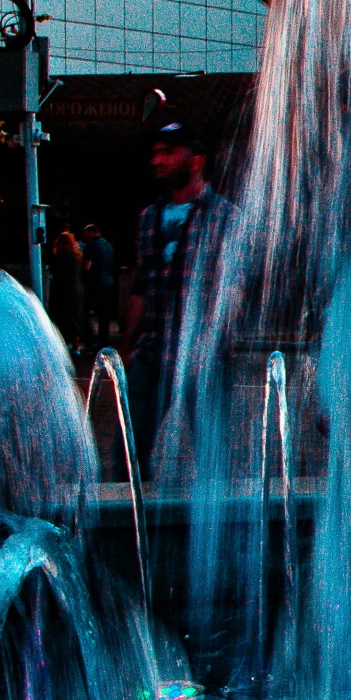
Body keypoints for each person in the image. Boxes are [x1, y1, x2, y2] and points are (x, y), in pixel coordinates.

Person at [123, 122, 229, 462]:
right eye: (155, 153)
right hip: (152, 352)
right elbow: (141, 285)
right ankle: (128, 511)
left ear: (196, 161)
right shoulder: (148, 218)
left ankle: (218, 512)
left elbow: (234, 290)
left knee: (212, 456)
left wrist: (217, 340)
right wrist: (128, 347)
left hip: (203, 354)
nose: (158, 160)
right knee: (129, 453)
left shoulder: (224, 217)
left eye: (168, 153)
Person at [46, 228, 84, 348]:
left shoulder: (61, 256)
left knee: (61, 317)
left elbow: (58, 274)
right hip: (76, 288)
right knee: (74, 318)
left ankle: (63, 344)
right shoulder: (76, 256)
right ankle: (76, 345)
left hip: (63, 290)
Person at [81, 223, 116, 347]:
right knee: (104, 314)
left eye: (86, 234)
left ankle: (89, 339)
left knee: (84, 311)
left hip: (95, 283)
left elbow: (87, 266)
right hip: (108, 282)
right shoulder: (108, 245)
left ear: (91, 232)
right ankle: (104, 339)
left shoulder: (91, 246)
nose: (85, 236)